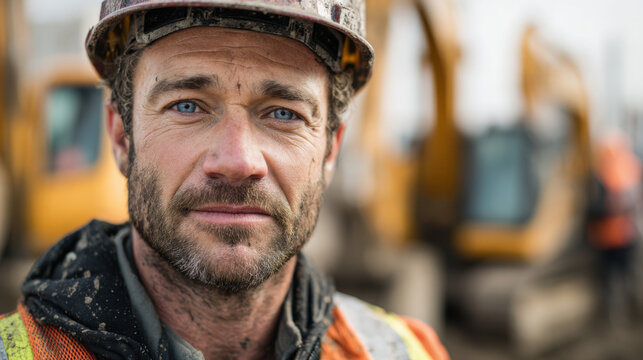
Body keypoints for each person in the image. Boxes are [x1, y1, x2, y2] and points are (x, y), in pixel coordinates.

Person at [0, 1, 449, 359]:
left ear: (330, 150)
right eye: (188, 106)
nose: (237, 161)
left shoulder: (405, 352)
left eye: (283, 113)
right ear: (121, 135)